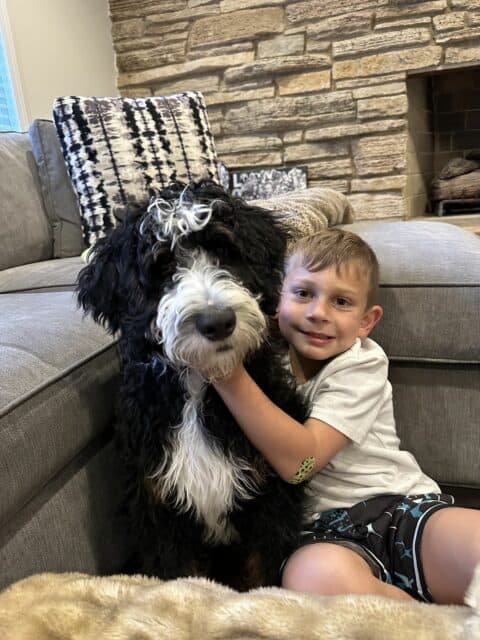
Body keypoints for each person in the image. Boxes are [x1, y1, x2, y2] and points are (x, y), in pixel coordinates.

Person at [212, 228, 480, 604]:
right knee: (313, 579)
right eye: (303, 293)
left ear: (367, 322)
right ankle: (418, 616)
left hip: (401, 508)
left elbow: (301, 465)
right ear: (276, 299)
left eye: (340, 302)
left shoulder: (361, 363)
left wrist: (227, 376)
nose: (317, 313)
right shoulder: (265, 359)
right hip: (321, 534)